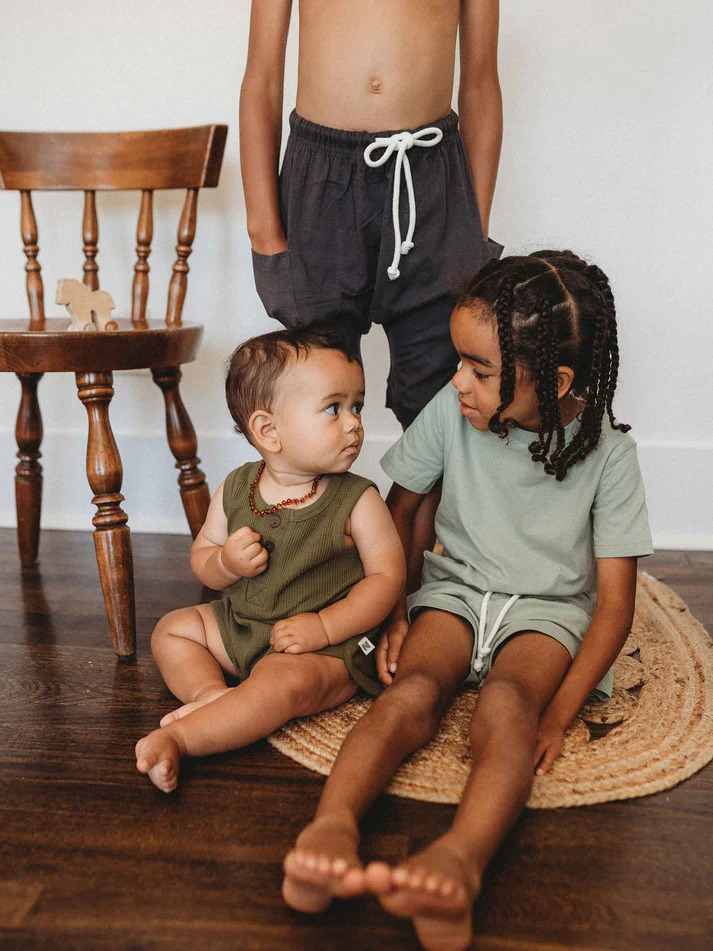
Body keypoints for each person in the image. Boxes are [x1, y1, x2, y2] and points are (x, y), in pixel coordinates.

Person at [281, 251, 653, 951]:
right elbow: (400, 512)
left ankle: (459, 859)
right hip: (454, 592)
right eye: (460, 362)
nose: (458, 381)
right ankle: (330, 824)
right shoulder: (454, 412)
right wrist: (394, 609)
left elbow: (611, 605)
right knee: (410, 691)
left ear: (556, 379)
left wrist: (560, 713)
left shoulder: (608, 455)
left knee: (508, 708)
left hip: (546, 612)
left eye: (479, 370)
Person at [240, 0, 503, 590]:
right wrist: (264, 226)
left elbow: (481, 81)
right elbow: (261, 77)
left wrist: (473, 228)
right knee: (313, 388)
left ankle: (415, 580)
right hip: (320, 182)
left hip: (433, 179)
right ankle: (310, 574)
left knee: (439, 395)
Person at [135, 328, 405, 793]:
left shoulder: (357, 499)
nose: (355, 423)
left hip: (324, 648)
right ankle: (210, 696)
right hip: (245, 623)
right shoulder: (238, 486)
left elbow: (387, 577)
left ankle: (180, 738)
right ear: (268, 430)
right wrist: (226, 565)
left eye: (357, 406)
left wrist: (322, 627)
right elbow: (201, 558)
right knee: (172, 630)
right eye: (333, 408)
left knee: (279, 686)